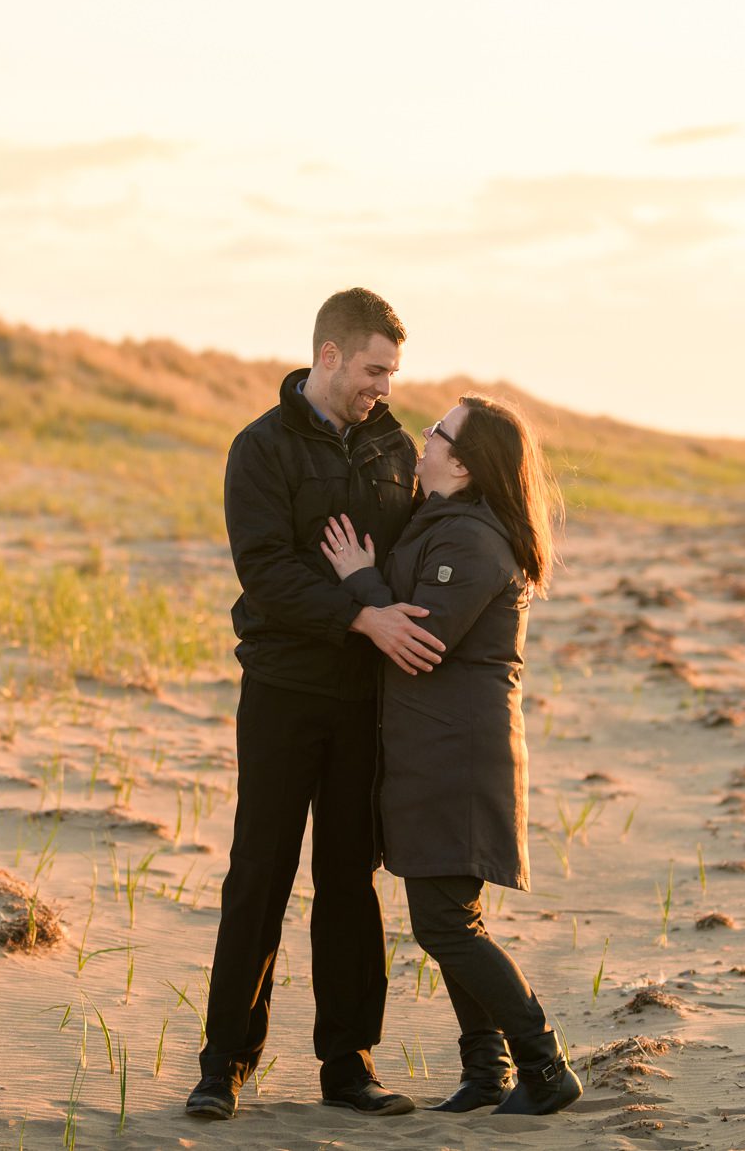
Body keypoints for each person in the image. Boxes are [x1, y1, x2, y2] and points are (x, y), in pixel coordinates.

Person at [185, 288, 446, 1122]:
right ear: (329, 356)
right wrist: (360, 612)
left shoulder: (393, 446)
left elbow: (405, 556)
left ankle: (349, 1064)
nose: (384, 386)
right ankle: (223, 1062)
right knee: (258, 872)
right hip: (282, 690)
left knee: (348, 879)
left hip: (366, 700)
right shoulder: (259, 447)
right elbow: (264, 568)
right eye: (374, 369)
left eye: (392, 371)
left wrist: (384, 596)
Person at [319, 393, 582, 1118]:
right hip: (435, 749)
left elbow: (420, 639)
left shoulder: (470, 539)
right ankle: (488, 1068)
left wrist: (358, 580)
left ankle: (544, 1063)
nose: (424, 438)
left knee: (444, 923)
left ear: (463, 464)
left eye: (438, 433)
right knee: (451, 917)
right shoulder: (443, 521)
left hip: (457, 757)